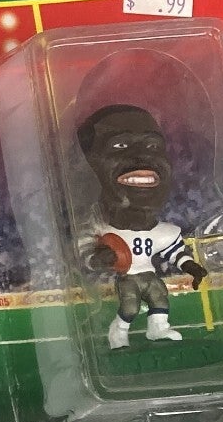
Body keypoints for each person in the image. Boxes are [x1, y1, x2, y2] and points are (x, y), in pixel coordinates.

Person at [78, 103, 207, 350]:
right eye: (120, 145)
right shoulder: (103, 229)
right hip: (128, 276)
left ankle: (158, 329)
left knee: (160, 298)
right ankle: (118, 333)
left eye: (153, 146)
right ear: (85, 167)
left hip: (148, 274)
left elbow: (175, 252)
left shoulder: (161, 231)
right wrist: (100, 258)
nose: (143, 156)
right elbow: (84, 249)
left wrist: (192, 267)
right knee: (130, 306)